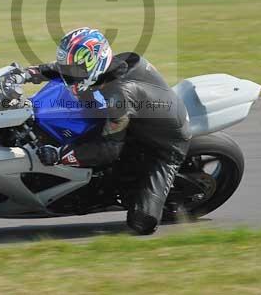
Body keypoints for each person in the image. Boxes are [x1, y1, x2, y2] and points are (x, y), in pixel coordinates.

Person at [24, 27, 191, 235]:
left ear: (95, 63)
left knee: (142, 223)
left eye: (75, 69)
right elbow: (67, 69)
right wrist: (32, 72)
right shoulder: (110, 67)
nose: (69, 73)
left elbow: (109, 149)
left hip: (164, 146)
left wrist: (59, 155)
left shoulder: (118, 95)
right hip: (139, 119)